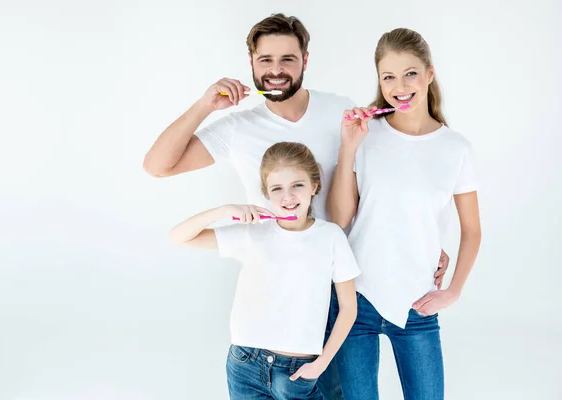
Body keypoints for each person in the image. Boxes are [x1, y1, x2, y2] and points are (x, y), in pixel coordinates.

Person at [144, 13, 451, 398]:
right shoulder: (237, 128)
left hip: (339, 292)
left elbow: (384, 180)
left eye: (288, 59)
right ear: (251, 64)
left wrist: (421, 241)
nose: (276, 70)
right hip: (276, 297)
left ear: (306, 59)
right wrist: (205, 105)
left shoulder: (339, 110)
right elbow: (157, 166)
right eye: (265, 60)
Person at [327, 28, 482, 400]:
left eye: (410, 73)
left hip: (417, 304)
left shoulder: (455, 148)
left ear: (429, 73)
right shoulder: (366, 134)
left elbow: (472, 230)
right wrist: (349, 147)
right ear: (379, 81)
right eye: (388, 77)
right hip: (355, 300)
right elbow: (338, 219)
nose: (400, 86)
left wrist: (455, 290)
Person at [169, 142, 360, 399]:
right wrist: (225, 210)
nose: (287, 196)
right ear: (266, 193)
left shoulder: (330, 237)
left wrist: (322, 363)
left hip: (297, 370)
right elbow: (179, 237)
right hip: (244, 362)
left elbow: (349, 308)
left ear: (314, 186)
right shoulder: (253, 234)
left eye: (297, 185)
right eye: (277, 188)